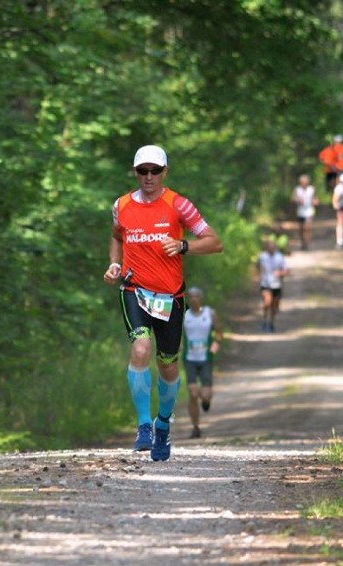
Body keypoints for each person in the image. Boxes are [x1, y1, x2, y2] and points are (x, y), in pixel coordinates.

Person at [103, 144, 222, 462]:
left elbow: (214, 242)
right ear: (135, 172)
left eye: (155, 171)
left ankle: (163, 424)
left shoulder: (179, 205)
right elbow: (117, 236)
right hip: (134, 290)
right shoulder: (122, 205)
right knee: (140, 348)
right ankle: (143, 425)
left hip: (171, 297)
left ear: (165, 172)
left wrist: (184, 245)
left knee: (168, 364)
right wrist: (114, 264)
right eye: (143, 171)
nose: (149, 177)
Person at [182, 287, 223, 439]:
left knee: (205, 396)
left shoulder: (209, 313)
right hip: (189, 358)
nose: (193, 299)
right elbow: (177, 334)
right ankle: (195, 427)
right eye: (191, 297)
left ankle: (206, 400)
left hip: (205, 358)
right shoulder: (184, 315)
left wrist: (215, 346)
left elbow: (219, 332)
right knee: (193, 393)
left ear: (201, 298)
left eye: (196, 297)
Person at [256, 236, 289, 332]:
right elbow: (257, 266)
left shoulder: (279, 257)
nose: (271, 249)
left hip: (276, 285)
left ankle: (271, 322)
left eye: (273, 247)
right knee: (267, 302)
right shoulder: (262, 257)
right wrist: (259, 275)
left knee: (274, 307)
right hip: (265, 284)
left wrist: (280, 273)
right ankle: (265, 320)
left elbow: (286, 270)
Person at [291, 174, 319, 250]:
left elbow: (315, 198)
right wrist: (297, 200)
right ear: (300, 182)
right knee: (301, 228)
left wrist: (315, 201)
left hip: (309, 210)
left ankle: (307, 242)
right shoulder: (297, 189)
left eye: (305, 182)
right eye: (302, 182)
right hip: (300, 211)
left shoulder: (311, 189)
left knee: (307, 227)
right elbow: (292, 199)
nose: (304, 183)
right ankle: (302, 241)